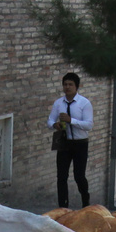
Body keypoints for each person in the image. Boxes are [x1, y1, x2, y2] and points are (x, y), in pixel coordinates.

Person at [47, 72, 93, 208]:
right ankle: (63, 206)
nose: (67, 87)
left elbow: (89, 125)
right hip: (64, 142)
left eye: (70, 84)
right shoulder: (58, 103)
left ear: (76, 87)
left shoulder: (84, 103)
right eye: (65, 84)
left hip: (80, 143)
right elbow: (50, 120)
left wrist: (71, 120)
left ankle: (86, 202)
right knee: (61, 176)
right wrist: (54, 125)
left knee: (79, 176)